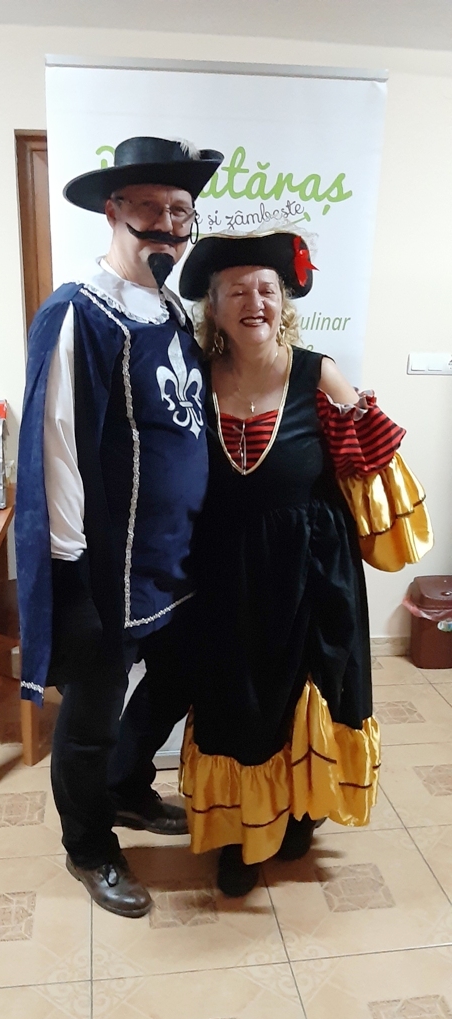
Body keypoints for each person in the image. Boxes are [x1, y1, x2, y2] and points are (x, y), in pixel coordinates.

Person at [178, 230, 433, 897]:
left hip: (312, 568)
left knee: (309, 690)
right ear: (214, 308)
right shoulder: (192, 379)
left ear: (284, 302)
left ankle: (299, 812)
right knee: (234, 698)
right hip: (225, 569)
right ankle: (238, 834)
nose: (255, 302)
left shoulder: (319, 374)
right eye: (237, 291)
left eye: (267, 289)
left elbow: (368, 468)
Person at [15, 136, 223, 917]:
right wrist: (72, 573)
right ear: (114, 211)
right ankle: (89, 845)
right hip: (106, 565)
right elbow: (55, 443)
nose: (168, 224)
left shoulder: (170, 308)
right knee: (90, 719)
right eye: (151, 207)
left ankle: (128, 789)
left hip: (176, 558)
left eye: (181, 210)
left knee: (179, 677)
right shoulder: (78, 311)